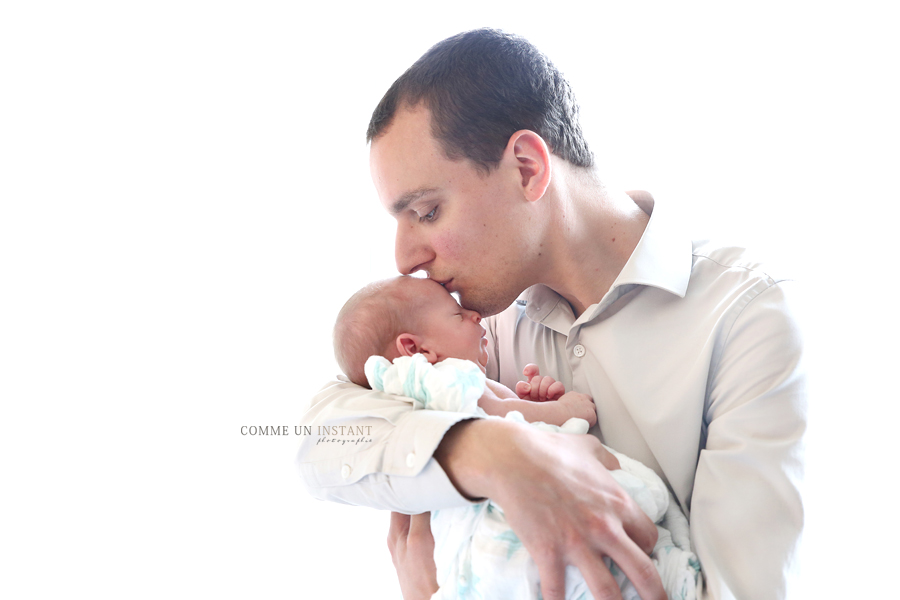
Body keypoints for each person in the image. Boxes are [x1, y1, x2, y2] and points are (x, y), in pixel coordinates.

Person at [296, 28, 806, 600]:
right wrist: (497, 453)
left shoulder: (747, 318)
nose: (403, 257)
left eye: (427, 210)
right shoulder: (474, 324)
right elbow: (315, 438)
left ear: (526, 169)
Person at [330, 274, 702, 599]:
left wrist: (531, 404)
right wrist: (561, 412)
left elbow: (500, 410)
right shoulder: (441, 377)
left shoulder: (431, 382)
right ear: (417, 349)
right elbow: (491, 416)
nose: (476, 316)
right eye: (458, 315)